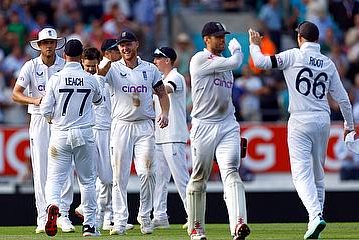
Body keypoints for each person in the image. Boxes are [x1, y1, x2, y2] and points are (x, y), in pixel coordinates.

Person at [249, 21, 356, 239]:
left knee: (300, 174)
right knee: (318, 175)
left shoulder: (292, 56)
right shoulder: (328, 62)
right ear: (317, 40)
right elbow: (344, 99)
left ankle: (315, 216)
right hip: (322, 120)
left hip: (299, 119)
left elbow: (260, 62)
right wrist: (350, 127)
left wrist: (254, 44)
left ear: (300, 38)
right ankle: (315, 219)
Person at [187, 21, 250, 240]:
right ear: (206, 40)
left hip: (227, 124)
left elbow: (230, 66)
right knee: (199, 177)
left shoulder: (223, 65)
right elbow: (236, 61)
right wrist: (238, 49)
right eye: (218, 37)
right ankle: (196, 228)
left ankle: (239, 224)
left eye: (223, 36)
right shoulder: (200, 59)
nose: (222, 40)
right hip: (203, 124)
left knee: (231, 172)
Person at [104, 31, 170, 235]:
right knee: (119, 175)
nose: (124, 48)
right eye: (121, 45)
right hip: (121, 125)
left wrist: (165, 112)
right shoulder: (112, 68)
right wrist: (105, 61)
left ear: (136, 45)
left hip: (144, 125)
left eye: (128, 44)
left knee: (148, 172)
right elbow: (97, 76)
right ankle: (120, 220)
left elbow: (161, 93)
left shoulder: (149, 69)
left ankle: (145, 215)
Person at [11, 27, 75, 234]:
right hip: (39, 119)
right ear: (39, 45)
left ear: (56, 44)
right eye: (45, 43)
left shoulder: (65, 66)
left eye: (51, 42)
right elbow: (16, 94)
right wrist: (36, 100)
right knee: (40, 169)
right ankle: (42, 216)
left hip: (61, 120)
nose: (48, 46)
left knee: (64, 166)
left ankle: (63, 214)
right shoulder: (30, 66)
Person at [40, 39, 103, 237]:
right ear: (81, 56)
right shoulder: (90, 78)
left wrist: (52, 120)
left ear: (65, 55)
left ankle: (53, 205)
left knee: (55, 179)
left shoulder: (56, 78)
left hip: (61, 133)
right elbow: (98, 100)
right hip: (84, 133)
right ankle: (90, 226)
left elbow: (45, 109)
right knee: (87, 181)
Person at [74, 41, 134, 232]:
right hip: (89, 130)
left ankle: (106, 215)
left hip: (110, 129)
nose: (90, 69)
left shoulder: (111, 74)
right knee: (91, 177)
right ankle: (96, 217)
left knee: (108, 178)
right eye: (114, 51)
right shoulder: (88, 76)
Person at [152, 47, 190, 229]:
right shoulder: (163, 78)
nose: (155, 61)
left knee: (181, 179)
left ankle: (193, 215)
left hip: (174, 135)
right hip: (160, 136)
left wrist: (144, 86)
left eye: (158, 58)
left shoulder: (176, 77)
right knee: (159, 180)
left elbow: (166, 90)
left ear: (167, 60)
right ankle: (159, 216)